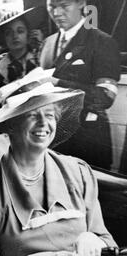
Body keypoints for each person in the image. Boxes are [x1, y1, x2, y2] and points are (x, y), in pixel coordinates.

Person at [0, 79, 117, 256]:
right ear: (11, 125)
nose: (44, 123)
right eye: (32, 115)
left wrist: (92, 239)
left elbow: (107, 242)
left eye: (50, 115)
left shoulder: (78, 172)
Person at [40, 0, 121, 170]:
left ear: (81, 4)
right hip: (51, 141)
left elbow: (104, 97)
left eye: (64, 5)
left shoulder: (102, 42)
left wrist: (59, 84)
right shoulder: (47, 44)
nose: (57, 13)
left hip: (87, 142)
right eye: (52, 7)